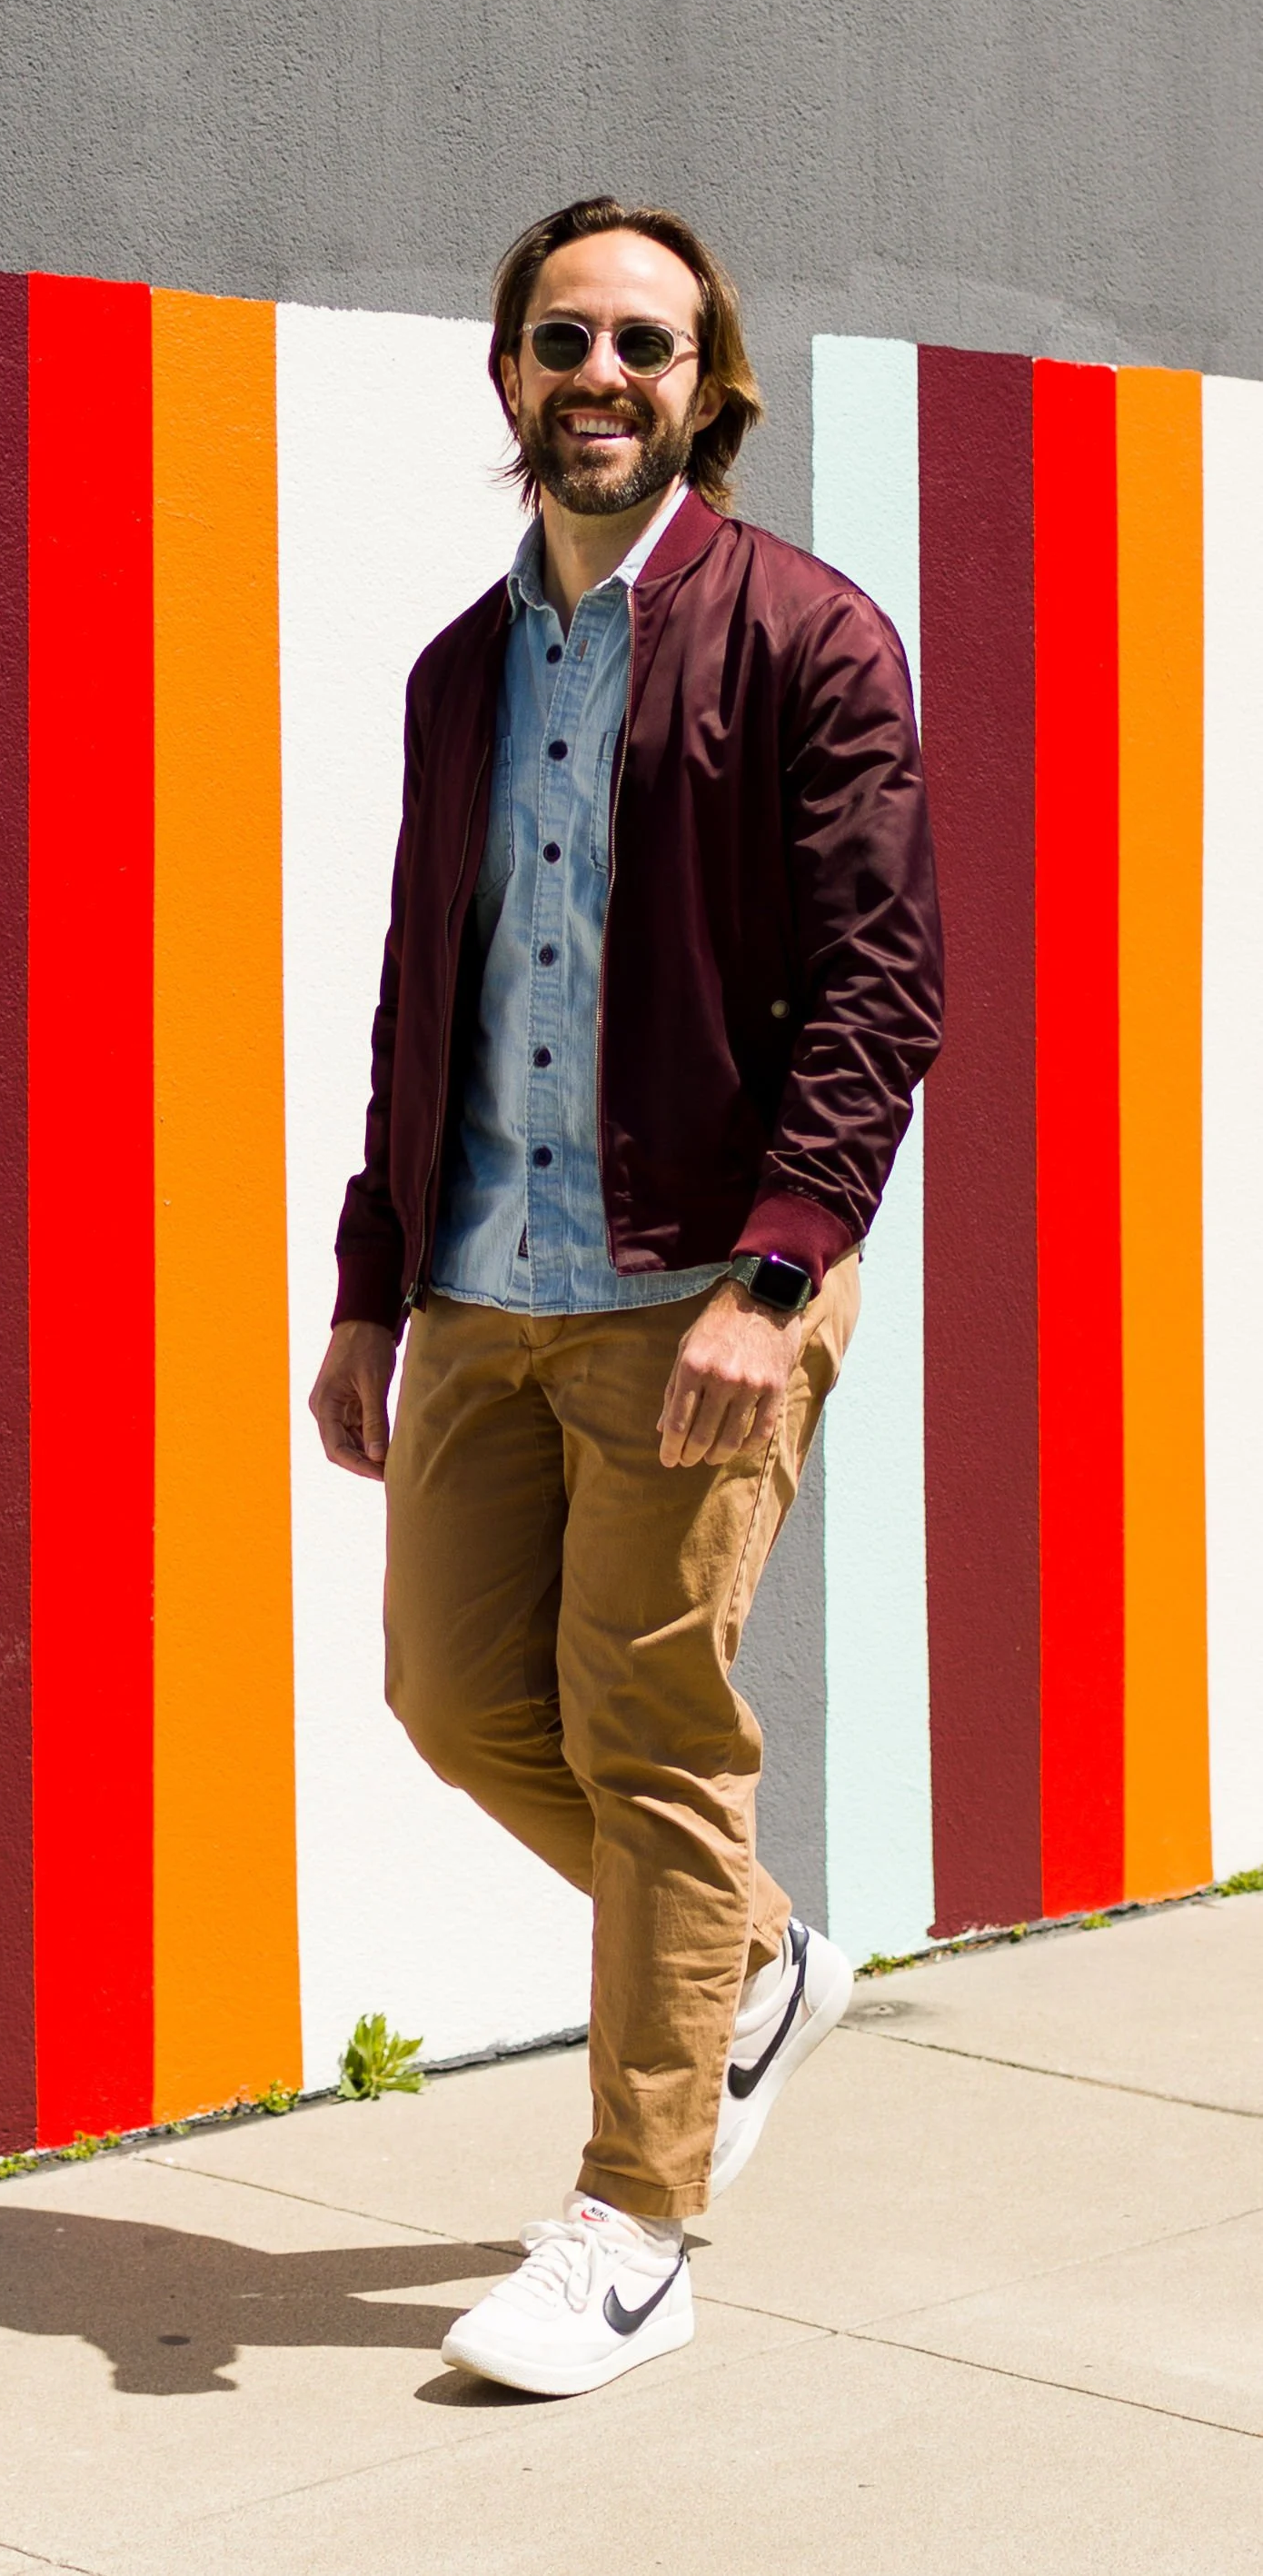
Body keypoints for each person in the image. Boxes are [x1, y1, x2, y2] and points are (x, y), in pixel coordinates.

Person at [308, 196, 941, 2399]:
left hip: (705, 1281)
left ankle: (637, 2221)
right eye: (561, 336)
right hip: (486, 1278)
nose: (600, 373)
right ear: (506, 373)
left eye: (644, 345)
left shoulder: (808, 640)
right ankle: (752, 1966)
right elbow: (423, 987)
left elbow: (883, 988)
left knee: (656, 1739)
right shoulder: (455, 674)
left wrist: (780, 1273)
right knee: (460, 1701)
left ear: (708, 388)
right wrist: (372, 1284)